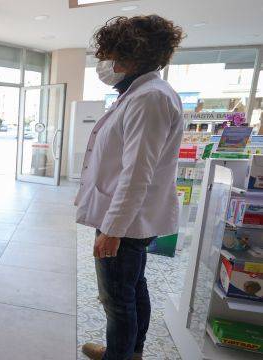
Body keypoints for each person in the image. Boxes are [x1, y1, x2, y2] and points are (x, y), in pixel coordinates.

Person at [76, 15, 184, 360]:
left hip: (124, 222)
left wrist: (112, 229)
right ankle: (128, 352)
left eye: (112, 56)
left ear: (134, 58)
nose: (106, 64)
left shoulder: (148, 98)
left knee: (117, 298)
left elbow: (137, 173)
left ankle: (119, 355)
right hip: (126, 219)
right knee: (132, 287)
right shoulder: (141, 93)